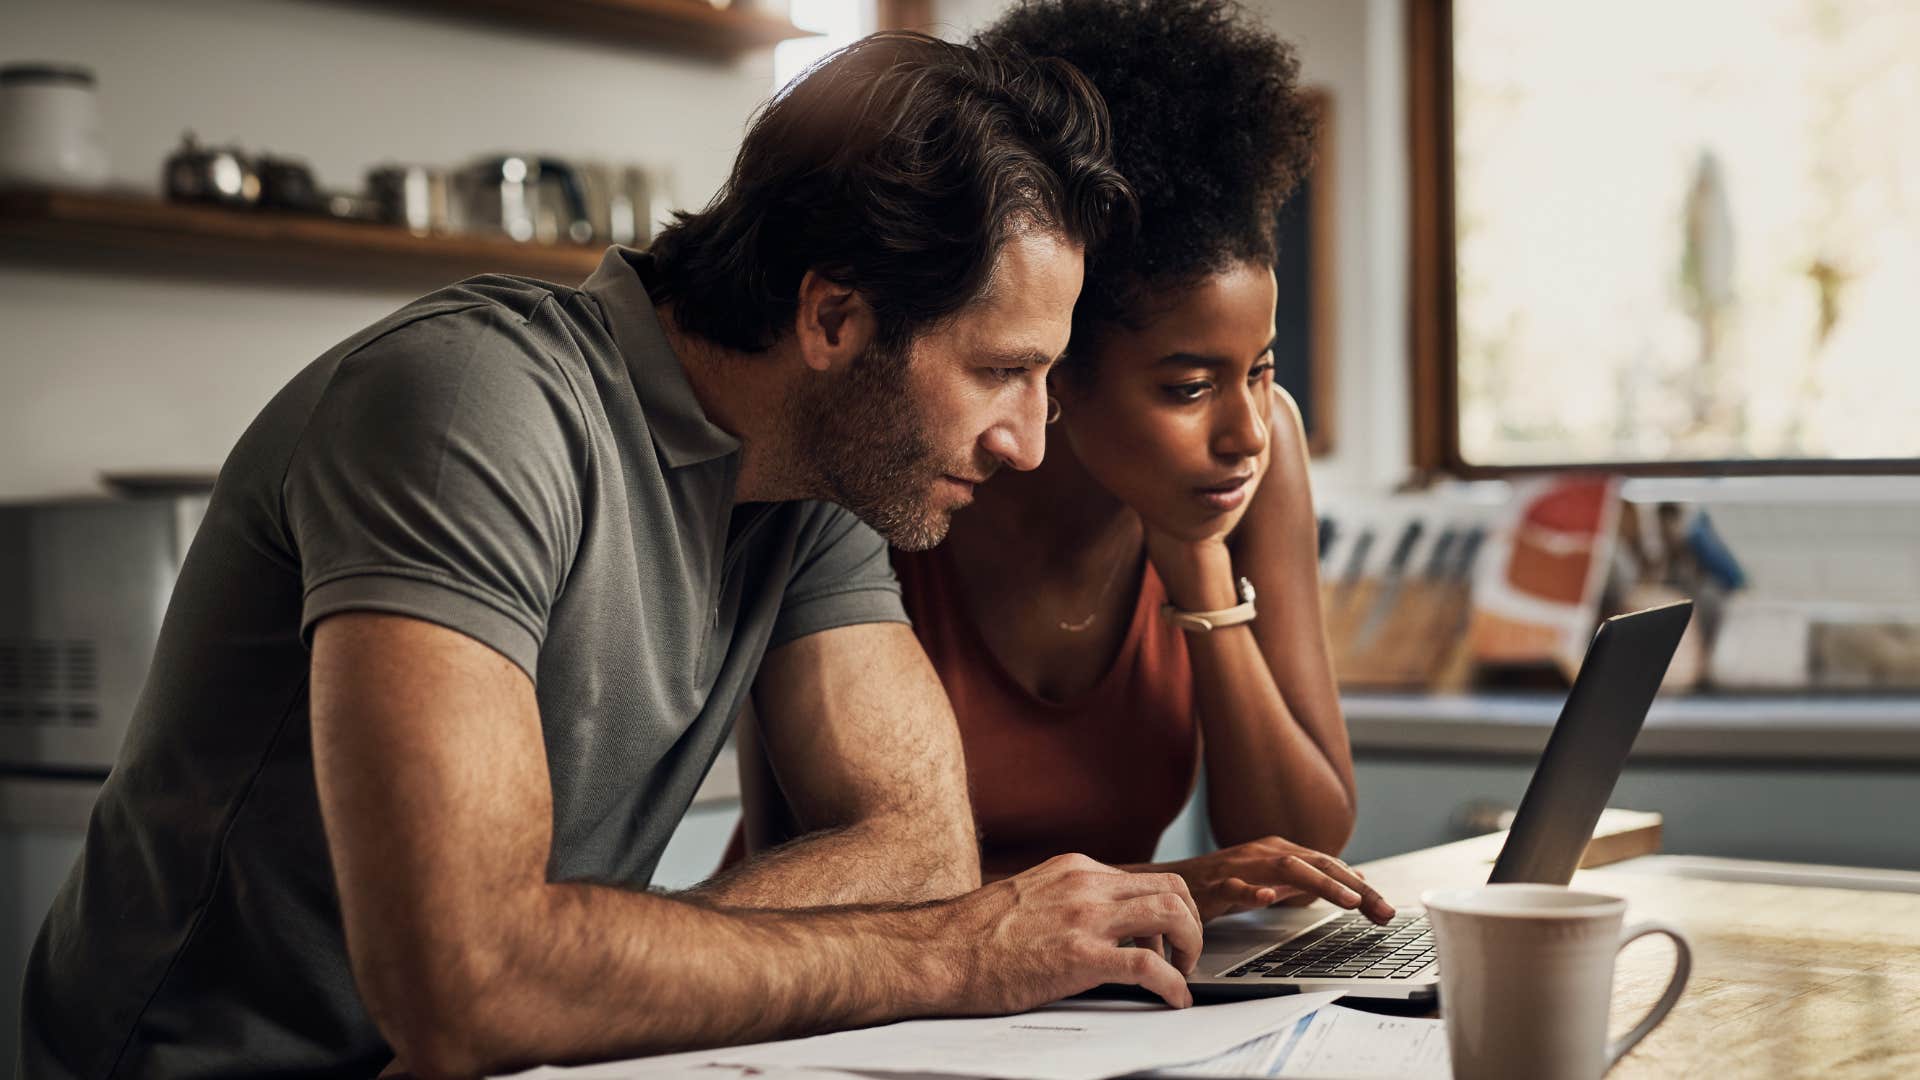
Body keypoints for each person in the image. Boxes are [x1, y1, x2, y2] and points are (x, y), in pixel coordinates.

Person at [18, 33, 1208, 1079]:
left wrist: (576, 981)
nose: (1032, 439)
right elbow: (470, 984)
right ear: (835, 321)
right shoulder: (473, 406)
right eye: (1002, 370)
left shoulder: (823, 475)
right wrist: (948, 957)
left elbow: (918, 846)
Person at [733, 0, 1394, 928]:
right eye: (1188, 386)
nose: (1248, 428)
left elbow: (1305, 844)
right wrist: (1158, 887)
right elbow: (804, 866)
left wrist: (1197, 561)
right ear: (1056, 364)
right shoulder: (893, 472)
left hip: (1075, 997)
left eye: (1262, 367)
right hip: (839, 993)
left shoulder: (1252, 458)